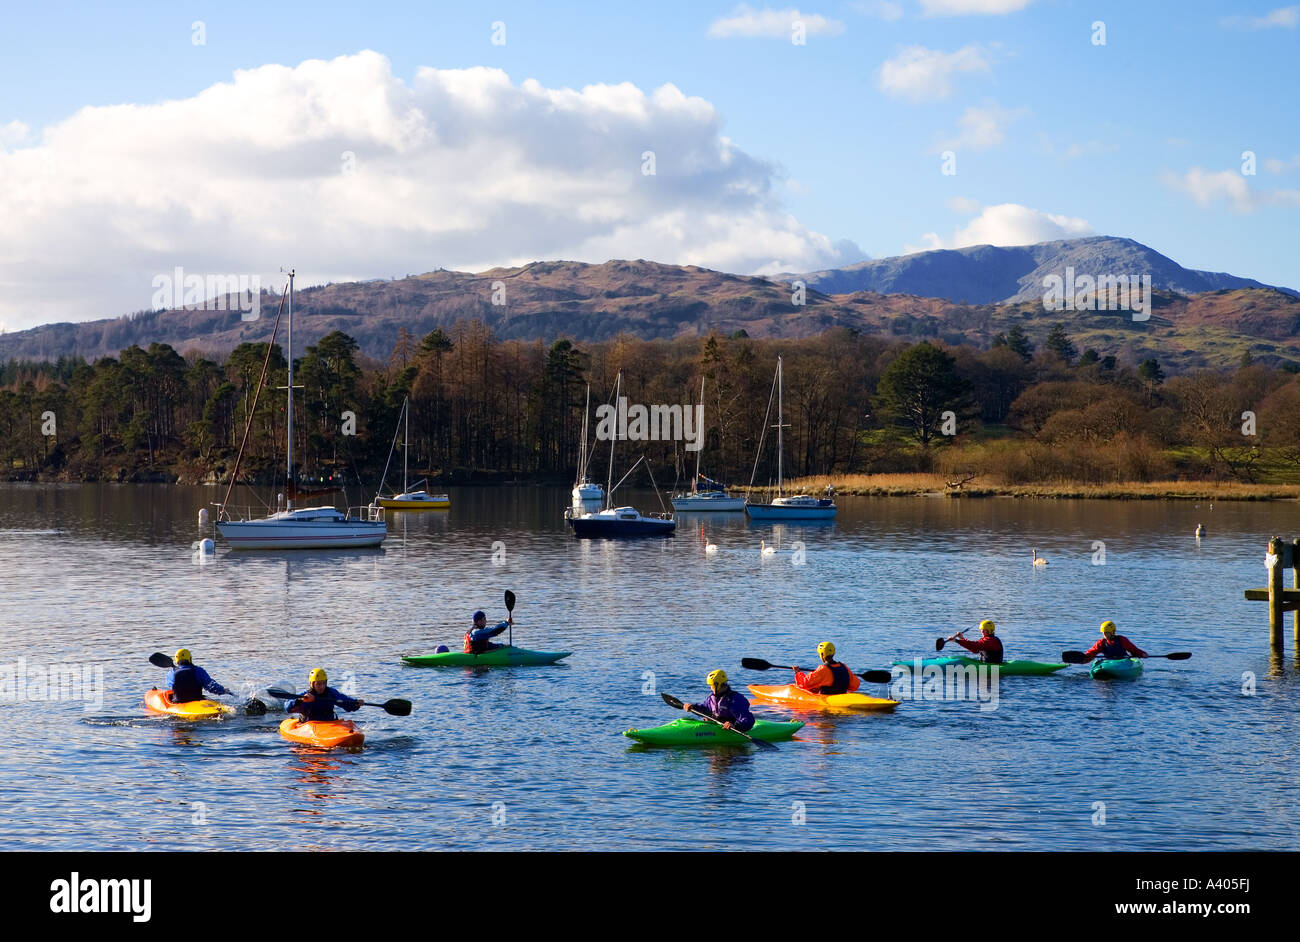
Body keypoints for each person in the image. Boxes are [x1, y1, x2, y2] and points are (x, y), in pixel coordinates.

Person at [681, 670, 755, 732]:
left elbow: (747, 719)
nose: (711, 688)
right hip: (717, 725)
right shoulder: (712, 698)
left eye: (712, 686)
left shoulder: (735, 700)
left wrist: (735, 726)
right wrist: (693, 707)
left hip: (731, 729)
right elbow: (704, 708)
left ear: (718, 685)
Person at [285, 668, 364, 722]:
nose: (322, 686)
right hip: (310, 725)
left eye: (323, 683)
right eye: (318, 684)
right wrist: (300, 700)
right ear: (311, 684)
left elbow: (345, 702)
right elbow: (287, 707)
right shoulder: (306, 695)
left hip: (329, 723)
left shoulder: (331, 693)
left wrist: (355, 703)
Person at [792, 641, 860, 695]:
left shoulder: (822, 669)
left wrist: (798, 673)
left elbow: (803, 684)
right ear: (833, 653)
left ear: (822, 654)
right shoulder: (844, 667)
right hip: (841, 695)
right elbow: (855, 685)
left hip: (828, 698)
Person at [165, 648, 230, 703]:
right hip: (197, 700)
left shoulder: (171, 673)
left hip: (179, 702)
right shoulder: (199, 671)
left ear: (177, 660)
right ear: (190, 658)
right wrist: (223, 690)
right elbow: (211, 686)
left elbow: (170, 684)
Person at [1081, 621, 1148, 661]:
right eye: (1103, 632)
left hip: (1122, 661)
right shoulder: (1101, 642)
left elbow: (1133, 650)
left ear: (1112, 632)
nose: (1104, 634)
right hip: (1109, 662)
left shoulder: (1122, 640)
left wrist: (1142, 654)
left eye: (1106, 632)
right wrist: (1084, 657)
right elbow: (1091, 652)